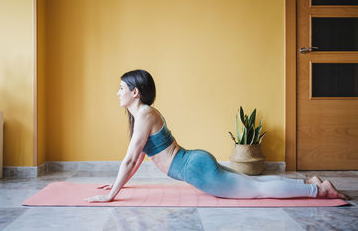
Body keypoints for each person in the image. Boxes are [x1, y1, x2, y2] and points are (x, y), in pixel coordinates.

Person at [85, 69, 347, 202]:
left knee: (256, 191)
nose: (117, 92)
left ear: (135, 92)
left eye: (121, 88)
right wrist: (119, 184)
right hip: (195, 162)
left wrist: (111, 195)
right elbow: (139, 157)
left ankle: (318, 190)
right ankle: (308, 183)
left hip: (195, 170)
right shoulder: (144, 114)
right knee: (254, 184)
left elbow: (130, 159)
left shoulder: (144, 114)